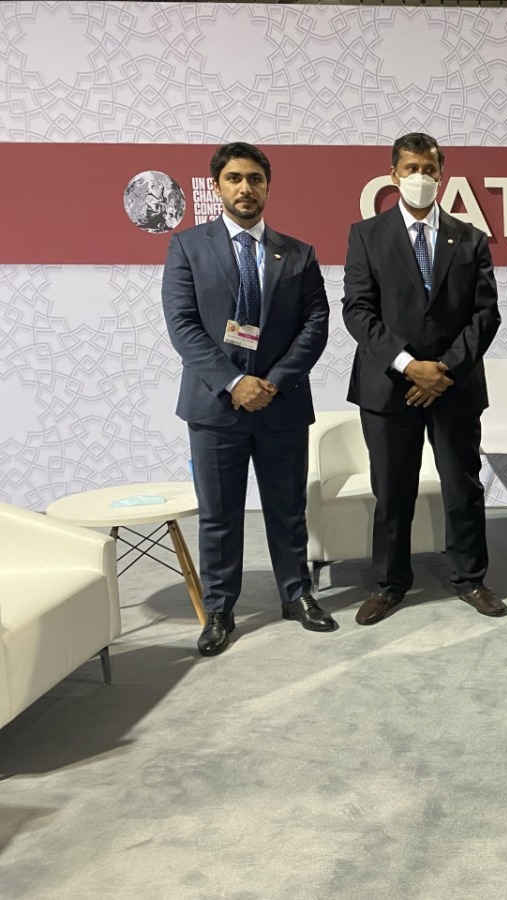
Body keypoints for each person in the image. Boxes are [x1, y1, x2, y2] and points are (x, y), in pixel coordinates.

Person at [162, 142, 333, 657]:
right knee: (220, 515)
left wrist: (273, 381)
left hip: (281, 405)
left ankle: (296, 595)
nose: (245, 188)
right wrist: (234, 383)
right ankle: (220, 609)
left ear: (267, 186)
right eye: (234, 178)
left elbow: (315, 324)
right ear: (217, 187)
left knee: (287, 509)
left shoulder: (297, 253)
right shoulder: (188, 246)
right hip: (215, 408)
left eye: (255, 179)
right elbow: (183, 326)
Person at [342, 133, 503, 626]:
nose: (420, 178)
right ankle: (389, 584)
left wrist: (444, 370)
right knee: (393, 491)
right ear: (394, 175)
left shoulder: (470, 237)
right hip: (389, 388)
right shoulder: (366, 235)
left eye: (429, 169)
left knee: (463, 487)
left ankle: (471, 579)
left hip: (454, 386)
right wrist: (409, 366)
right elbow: (358, 311)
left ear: (442, 175)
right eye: (411, 168)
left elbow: (486, 315)